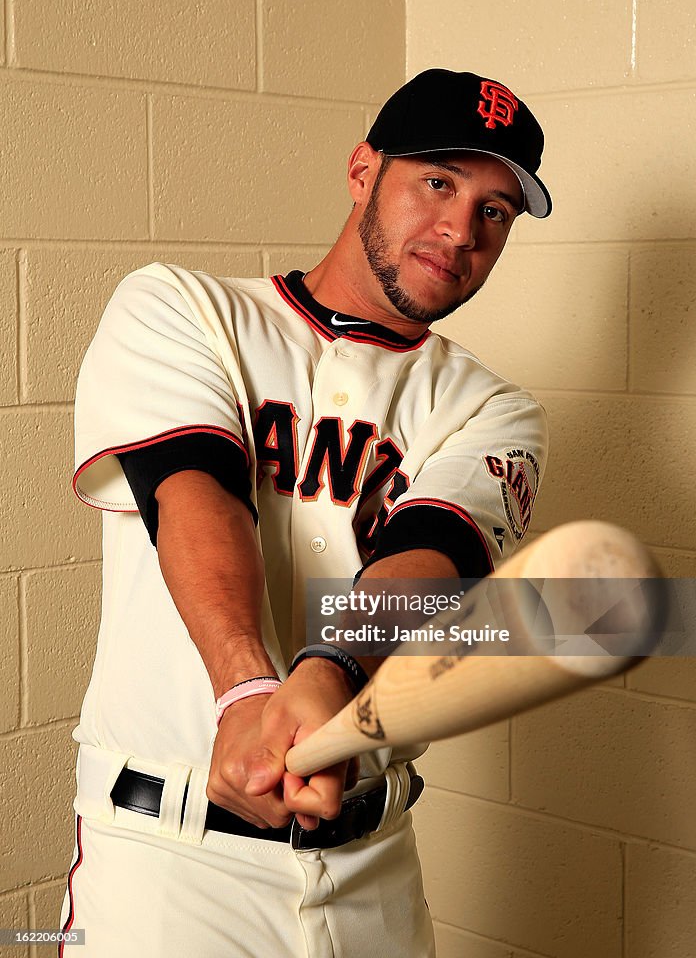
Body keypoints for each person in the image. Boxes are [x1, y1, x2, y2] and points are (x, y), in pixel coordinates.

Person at [60, 69, 552, 957]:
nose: (460, 230)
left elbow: (429, 559)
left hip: (373, 867)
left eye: (496, 211)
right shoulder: (183, 308)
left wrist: (330, 669)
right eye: (437, 180)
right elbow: (195, 495)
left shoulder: (493, 407)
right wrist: (247, 689)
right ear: (363, 170)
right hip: (171, 866)